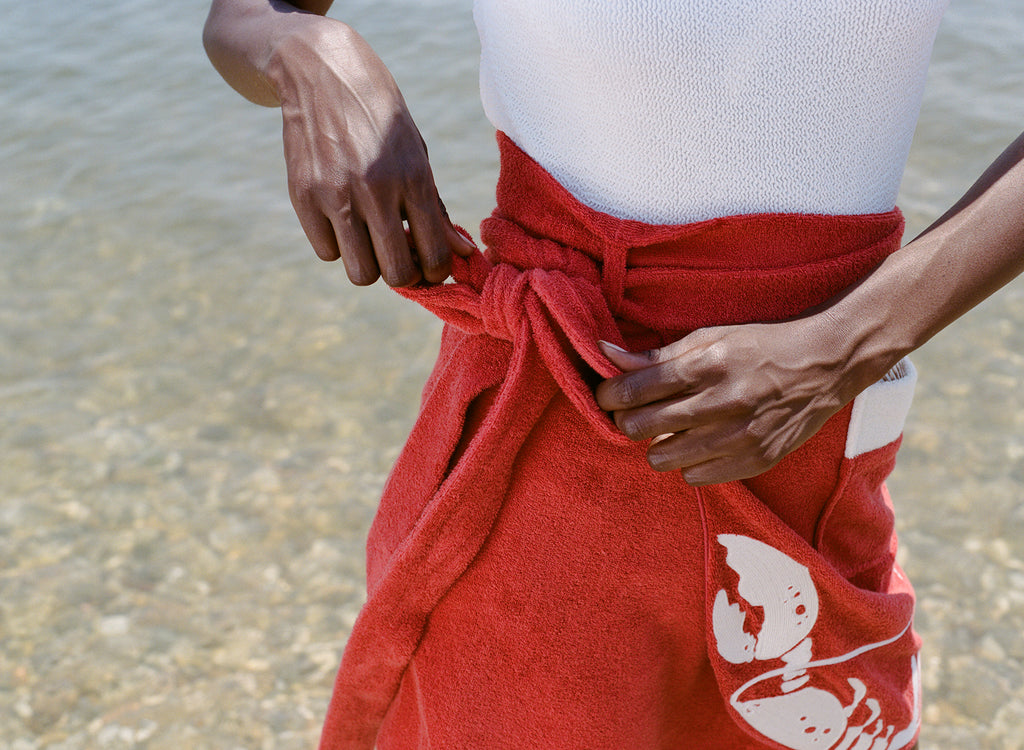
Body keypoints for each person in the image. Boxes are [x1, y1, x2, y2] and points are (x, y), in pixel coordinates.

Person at [203, 2, 1024, 748]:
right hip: (538, 431)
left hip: (801, 429)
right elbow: (241, 16)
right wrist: (303, 47)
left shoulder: (828, 367)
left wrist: (846, 346)